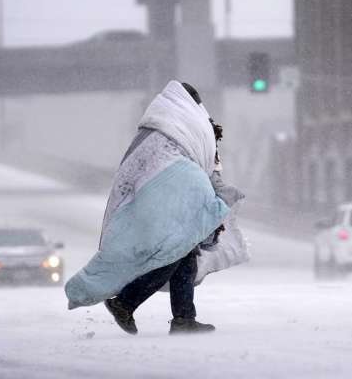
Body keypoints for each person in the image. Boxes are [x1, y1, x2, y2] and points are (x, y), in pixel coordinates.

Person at [65, 81, 247, 335]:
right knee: (172, 254)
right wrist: (216, 195)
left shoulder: (155, 131)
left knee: (183, 256)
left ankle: (183, 318)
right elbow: (201, 167)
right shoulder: (189, 127)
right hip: (169, 202)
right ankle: (125, 303)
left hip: (154, 201)